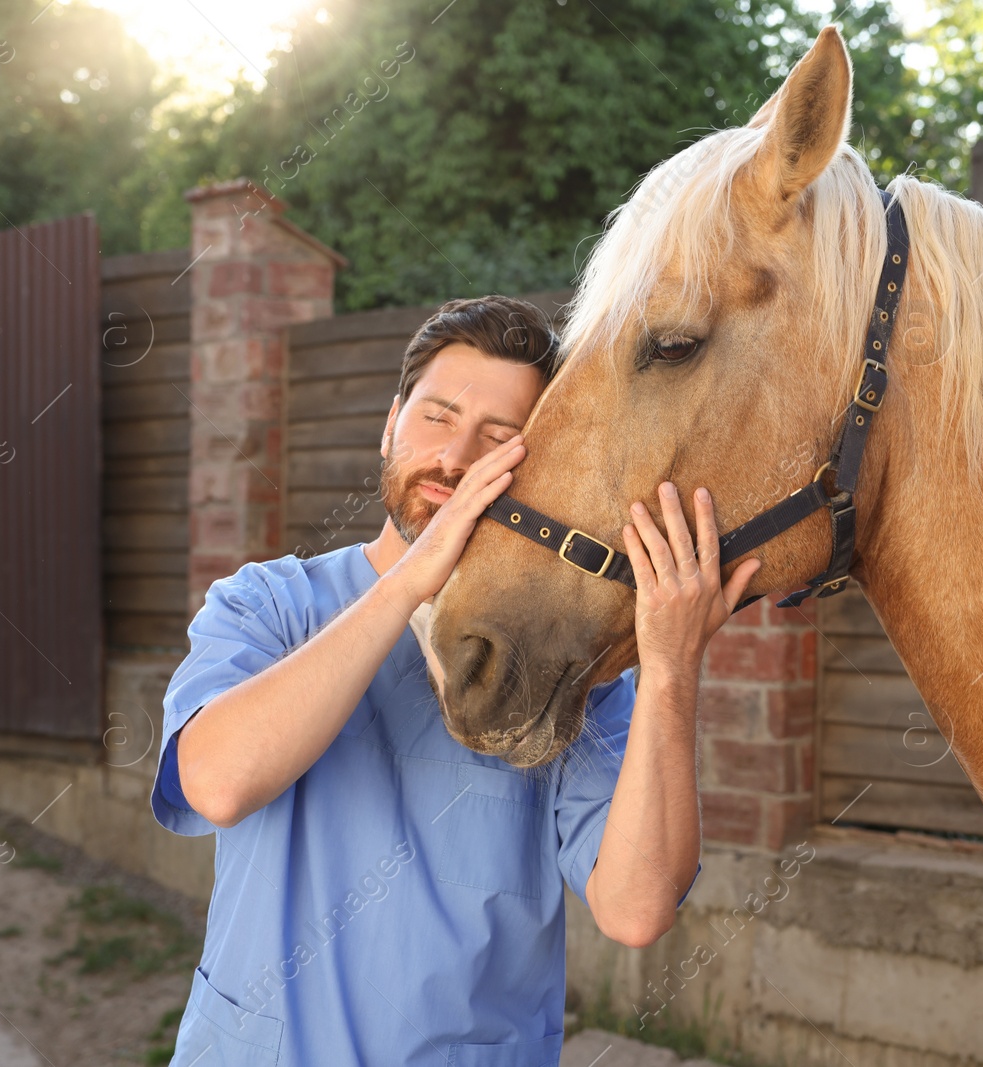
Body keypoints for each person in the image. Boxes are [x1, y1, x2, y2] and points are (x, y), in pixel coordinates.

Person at [150, 295, 760, 1066]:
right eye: (437, 416)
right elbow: (216, 783)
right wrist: (408, 584)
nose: (456, 455)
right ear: (390, 422)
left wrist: (671, 668)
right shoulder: (265, 604)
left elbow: (637, 908)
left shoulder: (559, 665)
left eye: (500, 437)